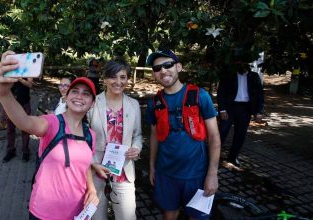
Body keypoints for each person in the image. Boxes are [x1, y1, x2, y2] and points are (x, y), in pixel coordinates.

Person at [0, 51, 99, 220]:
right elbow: (25, 122)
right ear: (67, 96)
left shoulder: (90, 135)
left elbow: (85, 166)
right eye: (75, 91)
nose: (80, 96)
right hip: (44, 213)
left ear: (92, 103)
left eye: (86, 94)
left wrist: (92, 189)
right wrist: (3, 94)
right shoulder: (52, 123)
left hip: (77, 212)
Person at [146, 49, 221, 220]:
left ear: (178, 67)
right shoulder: (154, 103)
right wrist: (152, 166)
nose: (163, 71)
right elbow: (154, 135)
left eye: (168, 65)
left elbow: (215, 137)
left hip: (196, 174)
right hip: (166, 173)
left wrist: (212, 174)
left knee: (197, 217)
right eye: (157, 68)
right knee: (169, 213)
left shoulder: (200, 96)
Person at [88, 59, 142, 220]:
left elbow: (138, 135)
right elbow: (84, 138)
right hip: (97, 170)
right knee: (97, 217)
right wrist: (91, 163)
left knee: (127, 216)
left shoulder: (134, 105)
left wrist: (136, 148)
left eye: (123, 77)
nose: (118, 82)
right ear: (104, 79)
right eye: (113, 77)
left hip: (123, 171)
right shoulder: (92, 103)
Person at [217, 55, 264, 171]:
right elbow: (221, 92)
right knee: (221, 132)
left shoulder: (254, 77)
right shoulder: (229, 75)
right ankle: (214, 156)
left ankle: (232, 158)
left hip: (245, 109)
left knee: (240, 135)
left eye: (244, 63)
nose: (241, 65)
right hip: (229, 108)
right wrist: (222, 109)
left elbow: (260, 95)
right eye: (239, 63)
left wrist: (258, 111)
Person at [2, 76, 33, 163]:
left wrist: (20, 79)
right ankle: (10, 151)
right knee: (10, 129)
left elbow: (30, 84)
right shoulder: (11, 67)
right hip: (11, 103)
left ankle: (25, 151)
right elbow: (4, 85)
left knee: (25, 128)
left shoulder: (28, 69)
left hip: (24, 103)